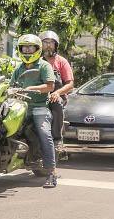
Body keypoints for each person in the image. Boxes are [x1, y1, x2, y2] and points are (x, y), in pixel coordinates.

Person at [10, 34, 58, 188]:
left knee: (44, 133)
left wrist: (31, 88)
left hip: (39, 107)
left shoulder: (44, 66)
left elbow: (50, 86)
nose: (27, 51)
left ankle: (51, 172)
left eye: (31, 48)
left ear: (37, 49)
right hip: (20, 107)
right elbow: (11, 85)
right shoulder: (19, 68)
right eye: (24, 47)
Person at [39, 31, 74, 152]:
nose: (48, 45)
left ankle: (57, 139)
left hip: (55, 96)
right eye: (45, 42)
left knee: (56, 103)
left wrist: (57, 93)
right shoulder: (36, 61)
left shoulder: (62, 61)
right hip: (38, 95)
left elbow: (70, 84)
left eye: (51, 43)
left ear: (56, 45)